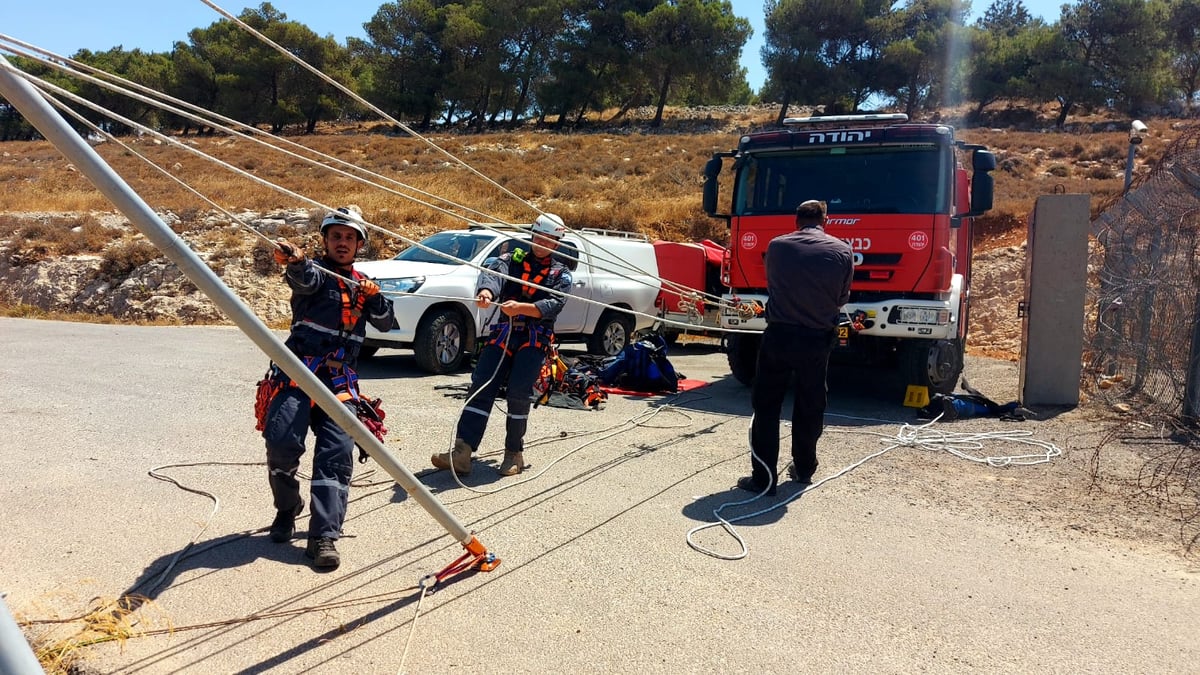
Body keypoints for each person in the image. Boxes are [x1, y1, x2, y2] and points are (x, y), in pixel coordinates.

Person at [261, 206, 395, 569]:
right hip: (299, 372)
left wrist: (375, 297)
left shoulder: (364, 284)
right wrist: (295, 260)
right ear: (325, 240)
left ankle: (323, 537)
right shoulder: (315, 274)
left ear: (359, 244)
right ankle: (288, 509)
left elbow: (386, 322)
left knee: (336, 455)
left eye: (350, 238)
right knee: (282, 443)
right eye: (336, 236)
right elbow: (302, 278)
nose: (342, 242)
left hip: (340, 382)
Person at [432, 213, 573, 477]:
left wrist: (523, 308)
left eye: (550, 240)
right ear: (533, 235)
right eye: (539, 237)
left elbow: (554, 304)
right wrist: (486, 293)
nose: (543, 243)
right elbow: (495, 274)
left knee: (518, 394)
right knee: (481, 385)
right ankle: (463, 451)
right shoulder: (511, 259)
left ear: (556, 243)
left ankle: (513, 453)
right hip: (503, 333)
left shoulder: (561, 273)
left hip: (533, 338)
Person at [739, 199, 853, 496]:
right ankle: (803, 468)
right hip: (816, 338)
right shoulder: (842, 251)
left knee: (766, 405)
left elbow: (773, 283)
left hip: (779, 334)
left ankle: (763, 478)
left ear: (795, 220)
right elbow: (841, 298)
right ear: (825, 220)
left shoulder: (777, 246)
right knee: (810, 403)